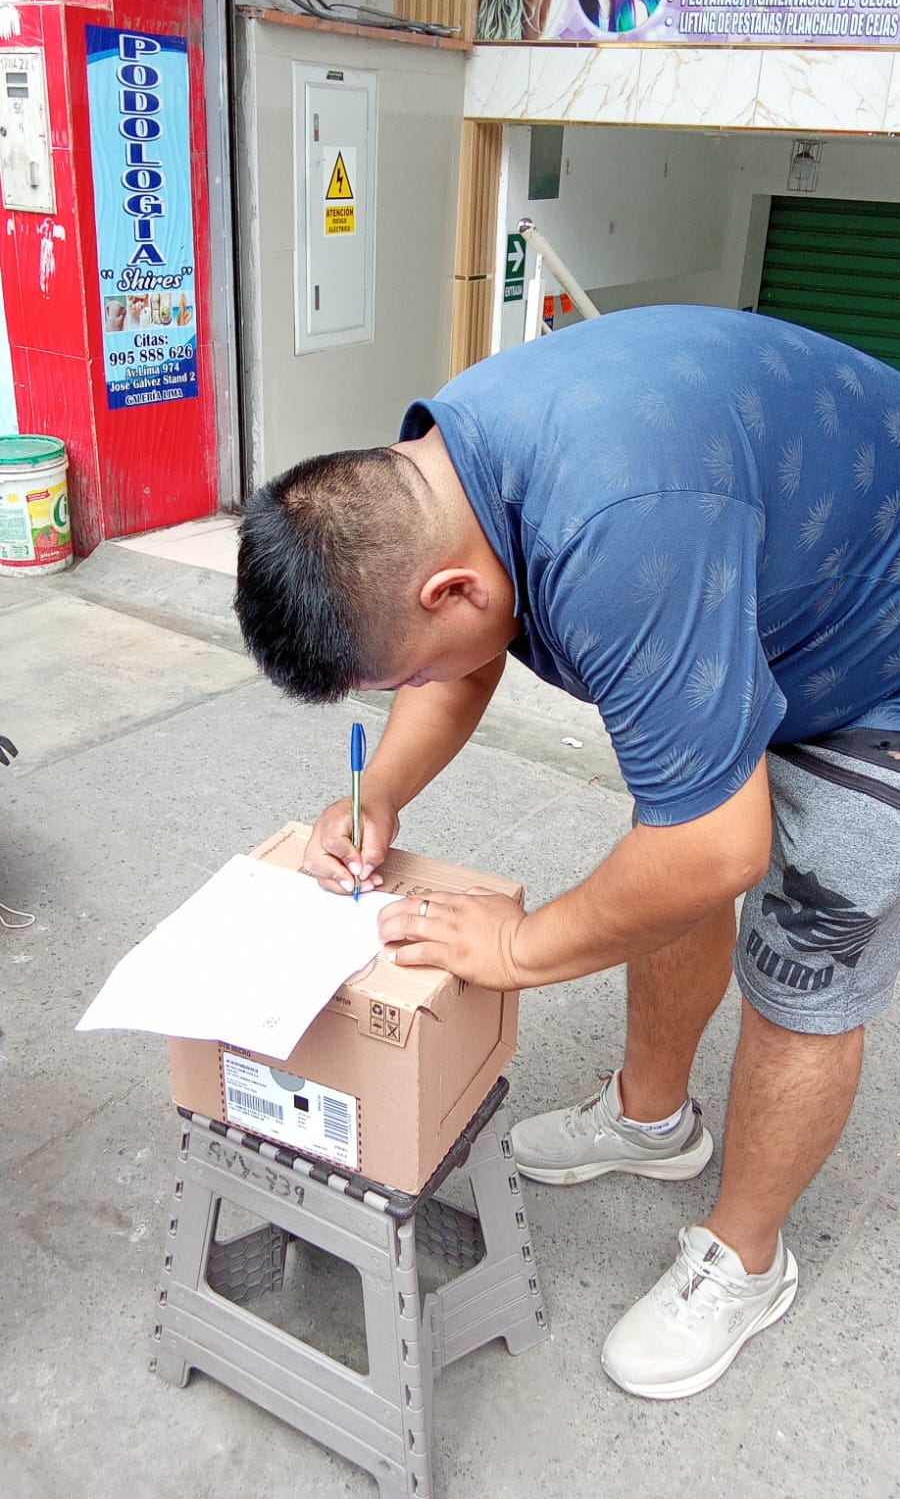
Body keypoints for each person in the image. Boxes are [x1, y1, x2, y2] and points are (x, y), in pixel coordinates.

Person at [235, 307, 900, 1401]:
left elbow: (715, 850)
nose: (417, 690)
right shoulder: (443, 474)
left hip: (876, 650)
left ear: (448, 589)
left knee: (803, 960)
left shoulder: (618, 537)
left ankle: (747, 1258)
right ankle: (651, 1121)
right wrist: (380, 790)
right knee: (664, 857)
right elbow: (466, 654)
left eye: (401, 677)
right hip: (760, 580)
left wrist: (519, 947)